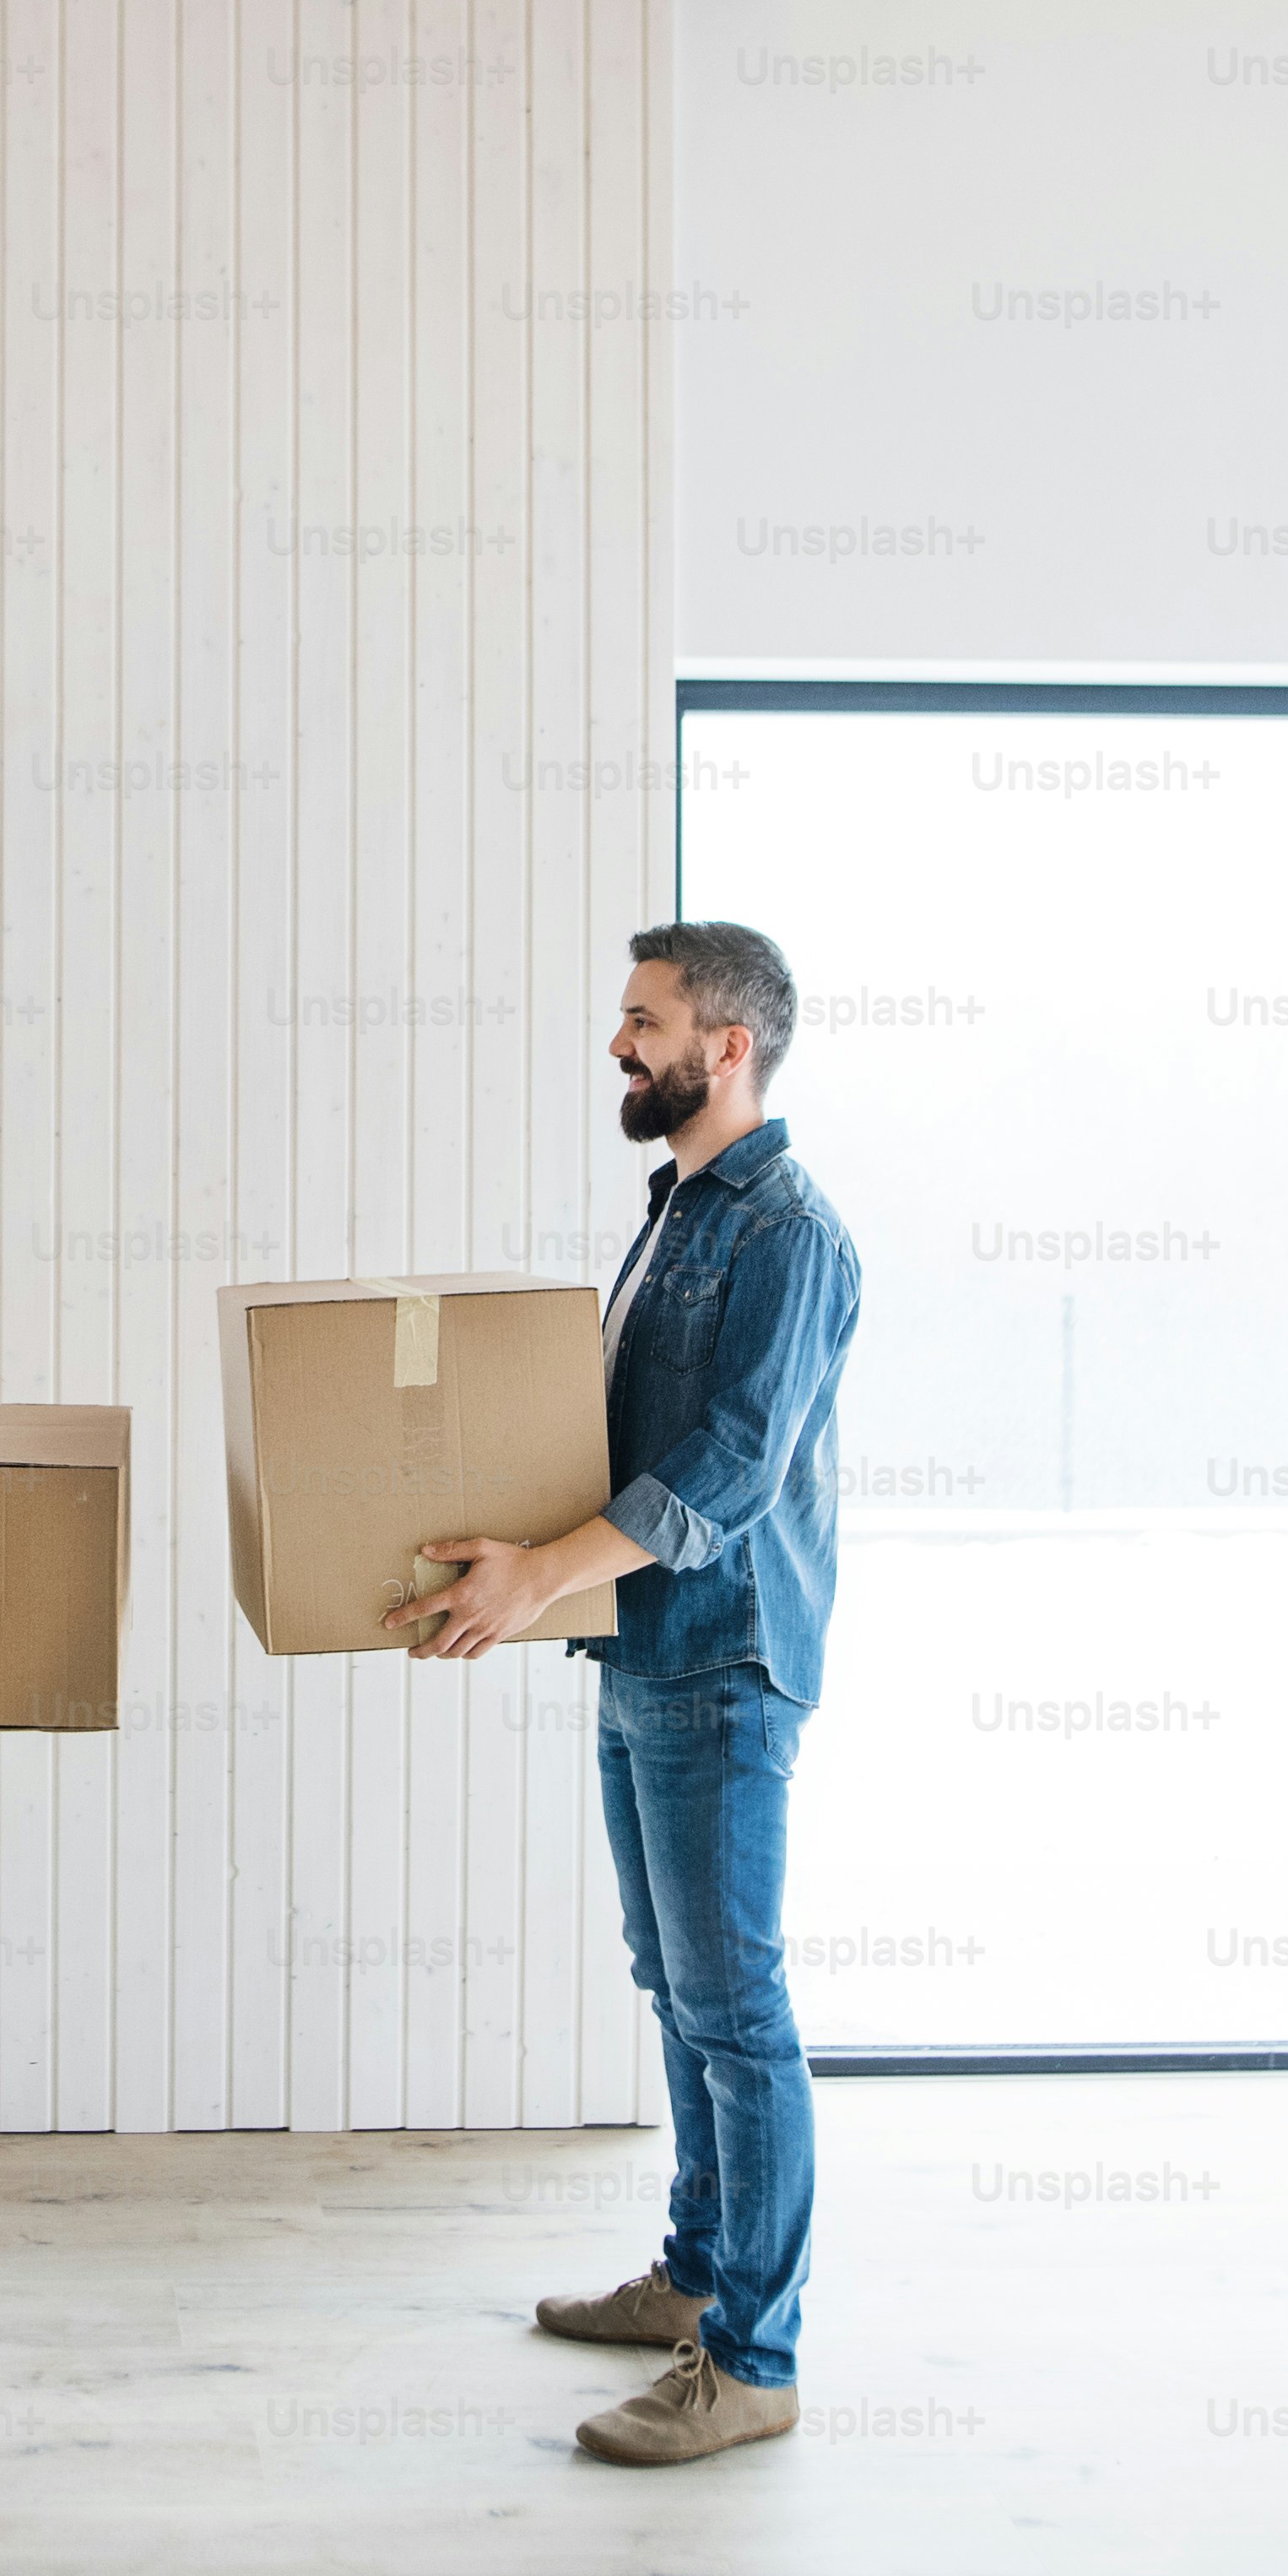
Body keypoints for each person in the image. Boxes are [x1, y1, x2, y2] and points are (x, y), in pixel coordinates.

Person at [397, 921, 860, 2467]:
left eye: (643, 1022)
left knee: (738, 2009)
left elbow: (729, 1467)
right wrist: (512, 1544)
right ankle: (695, 2278)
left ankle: (755, 2357)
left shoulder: (788, 1231)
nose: (620, 1047)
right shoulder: (676, 1212)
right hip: (643, 1648)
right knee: (676, 1988)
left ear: (724, 1047)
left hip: (723, 1654)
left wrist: (534, 1576)